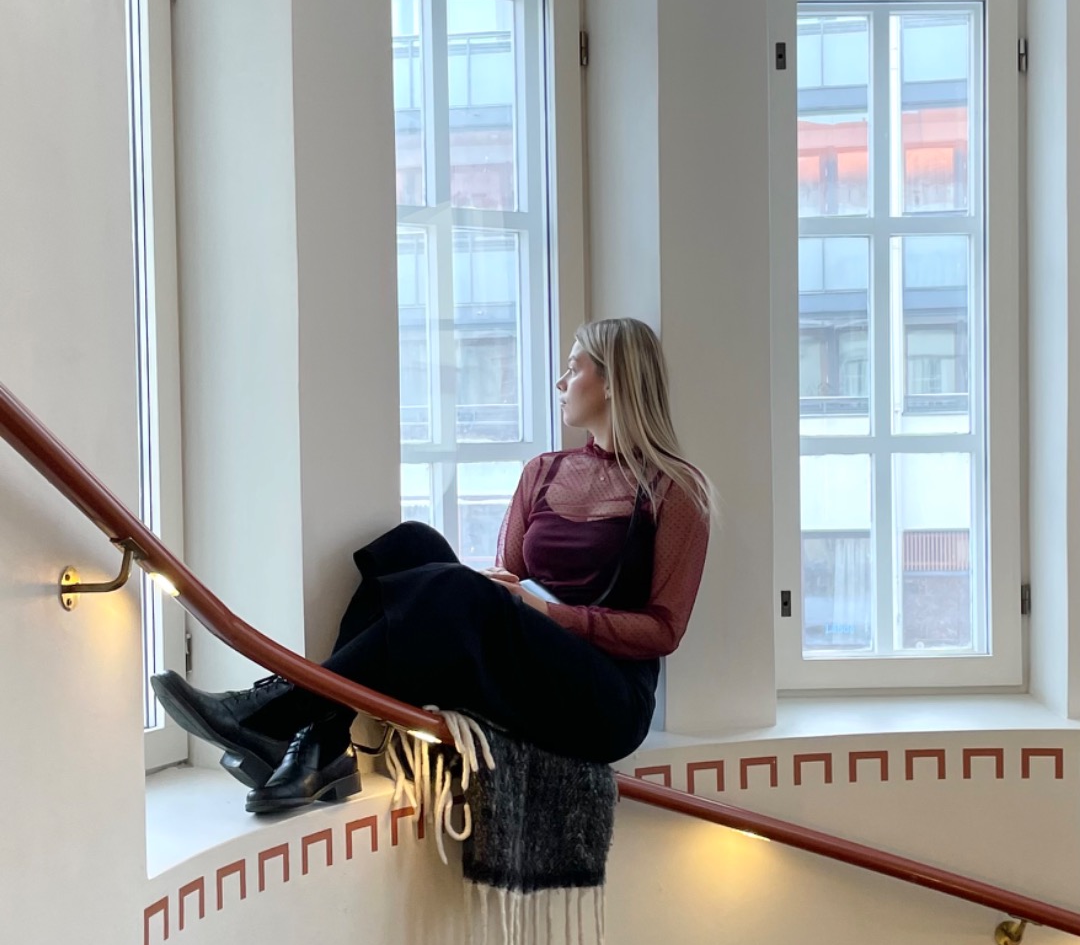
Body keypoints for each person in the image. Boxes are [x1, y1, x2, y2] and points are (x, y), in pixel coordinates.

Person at [152, 317, 713, 816]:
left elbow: (663, 631)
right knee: (409, 544)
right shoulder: (543, 471)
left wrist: (547, 613)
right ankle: (321, 744)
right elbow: (508, 580)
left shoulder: (674, 490)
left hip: (606, 698)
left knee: (454, 590)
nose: (560, 382)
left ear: (612, 381)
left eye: (573, 367)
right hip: (536, 662)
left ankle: (276, 715)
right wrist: (510, 598)